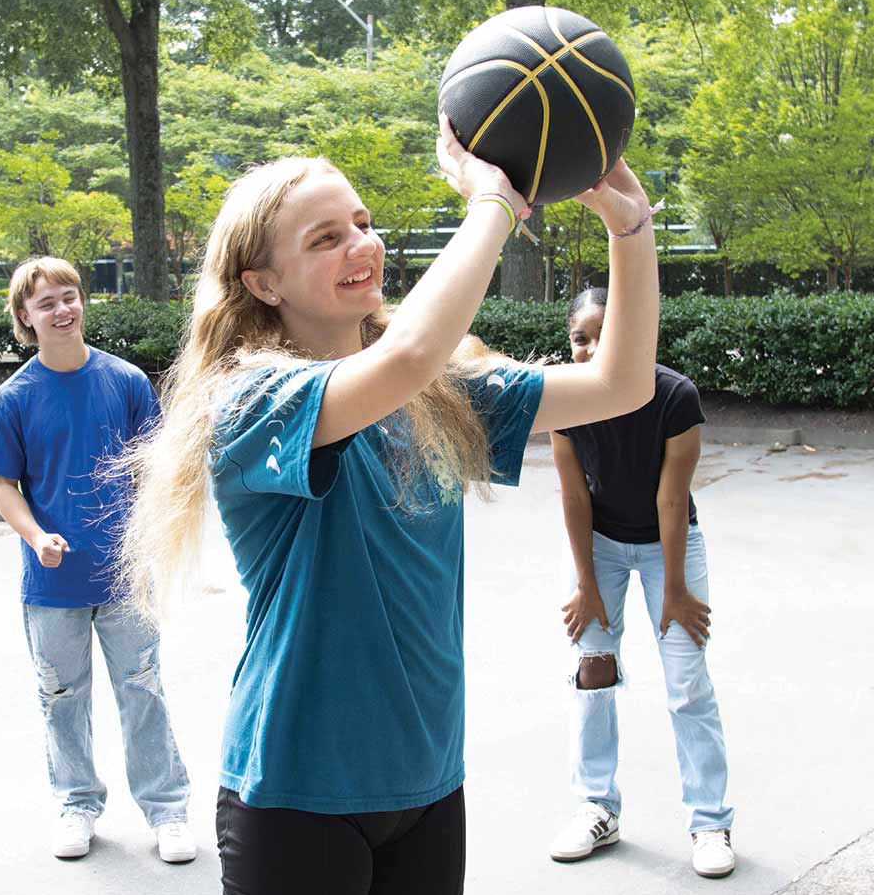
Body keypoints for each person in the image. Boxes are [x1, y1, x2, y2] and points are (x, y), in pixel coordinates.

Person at [111, 118, 663, 895]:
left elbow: (622, 385)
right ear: (264, 284)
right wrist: (492, 206)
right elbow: (405, 355)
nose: (361, 246)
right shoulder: (251, 402)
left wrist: (631, 224)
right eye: (325, 238)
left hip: (427, 779)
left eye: (364, 225)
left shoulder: (438, 392)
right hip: (299, 794)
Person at [0, 257, 195, 863]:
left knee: (142, 688)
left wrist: (155, 535)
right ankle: (76, 805)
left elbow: (154, 467)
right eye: (46, 303)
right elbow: (2, 486)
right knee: (61, 697)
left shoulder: (125, 381)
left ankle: (168, 811)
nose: (62, 309)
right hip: (52, 582)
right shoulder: (14, 397)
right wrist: (35, 536)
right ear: (25, 317)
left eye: (69, 296)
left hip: (126, 574)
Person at [546, 287, 736, 878]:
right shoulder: (563, 399)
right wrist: (586, 584)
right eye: (581, 337)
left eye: (606, 333)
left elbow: (672, 497)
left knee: (686, 681)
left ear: (636, 333)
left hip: (668, 546)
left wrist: (675, 588)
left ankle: (711, 823)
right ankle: (597, 807)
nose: (592, 347)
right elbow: (574, 494)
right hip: (598, 544)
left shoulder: (675, 396)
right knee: (593, 667)